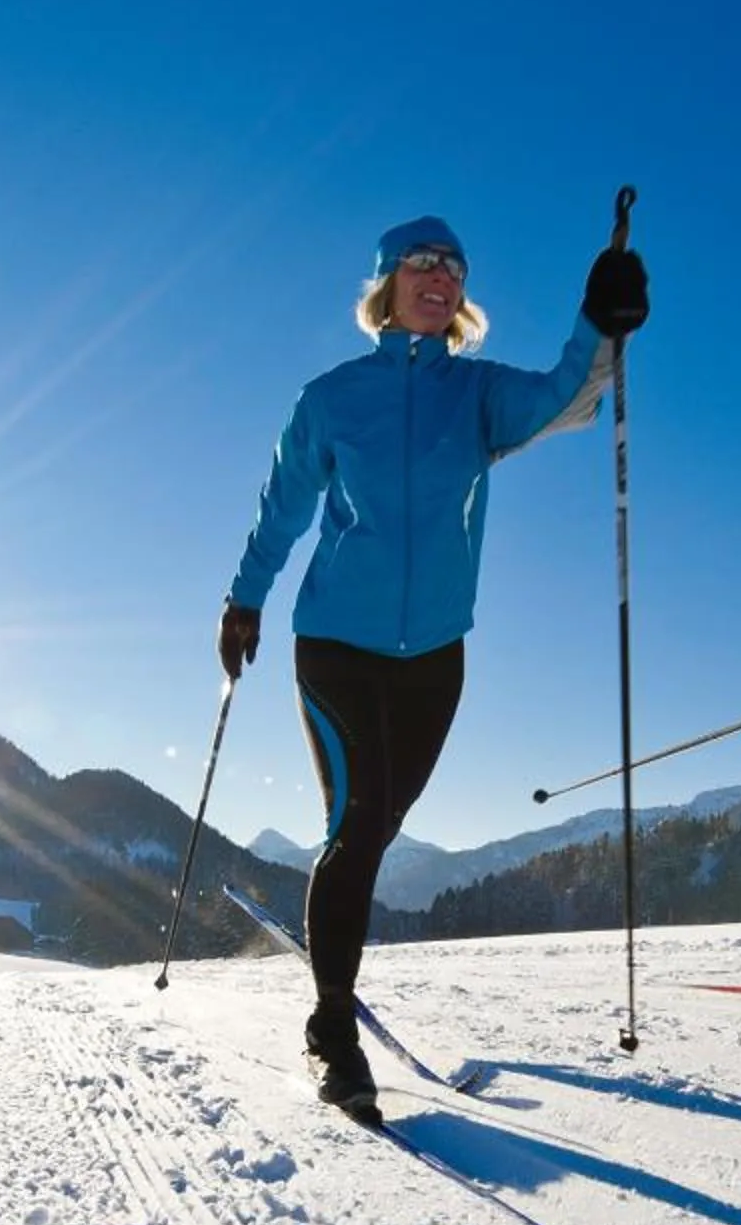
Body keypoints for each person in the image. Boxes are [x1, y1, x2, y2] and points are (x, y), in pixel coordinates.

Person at [221, 214, 649, 1120]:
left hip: (436, 659)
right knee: (360, 816)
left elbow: (573, 393)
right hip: (336, 642)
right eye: (421, 264)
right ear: (386, 285)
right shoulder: (332, 399)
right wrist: (245, 598)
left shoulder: (480, 397)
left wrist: (599, 317)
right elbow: (282, 509)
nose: (440, 276)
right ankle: (332, 1027)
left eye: (453, 268)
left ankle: (332, 986)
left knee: (375, 830)